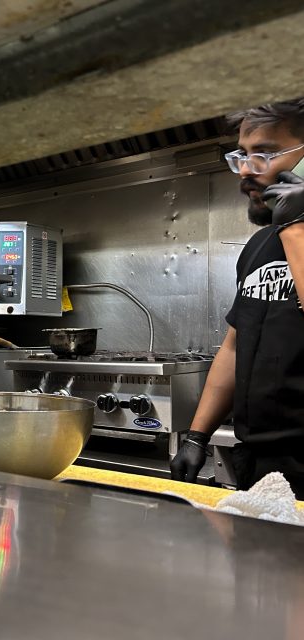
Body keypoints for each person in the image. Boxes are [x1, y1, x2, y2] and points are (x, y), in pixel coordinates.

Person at [170, 98, 304, 499]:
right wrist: (197, 435)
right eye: (242, 156)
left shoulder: (289, 233)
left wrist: (296, 226)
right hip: (260, 461)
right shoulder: (261, 243)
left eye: (263, 154)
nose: (246, 170)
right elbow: (234, 345)